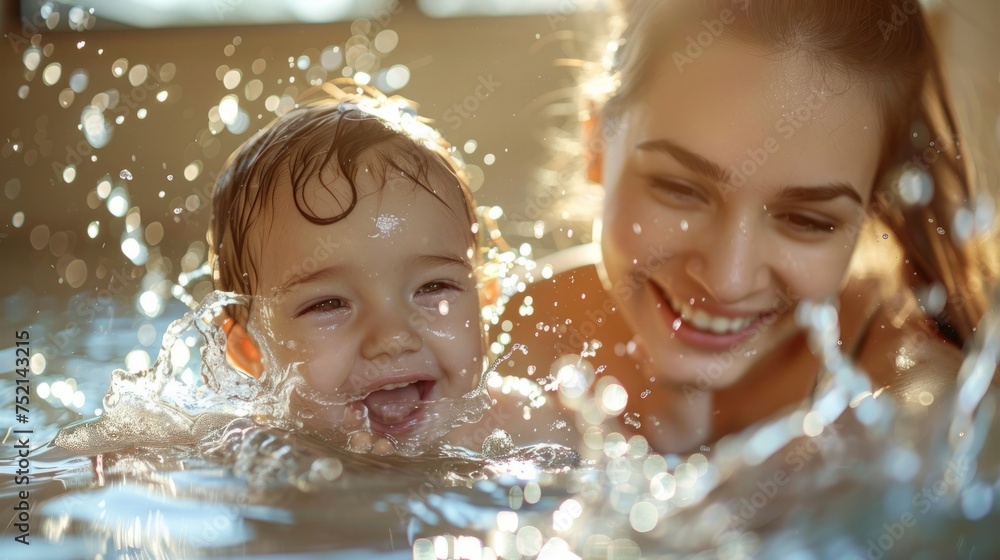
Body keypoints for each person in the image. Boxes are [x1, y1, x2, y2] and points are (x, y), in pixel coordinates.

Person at [501, 0, 996, 453]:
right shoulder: (516, 333)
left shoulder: (917, 417)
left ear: (872, 207)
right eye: (679, 190)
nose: (727, 279)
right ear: (597, 145)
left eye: (805, 220)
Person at [207, 82, 511, 455]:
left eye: (433, 288)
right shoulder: (253, 456)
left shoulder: (529, 422)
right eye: (328, 304)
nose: (393, 337)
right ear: (251, 350)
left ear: (486, 300)